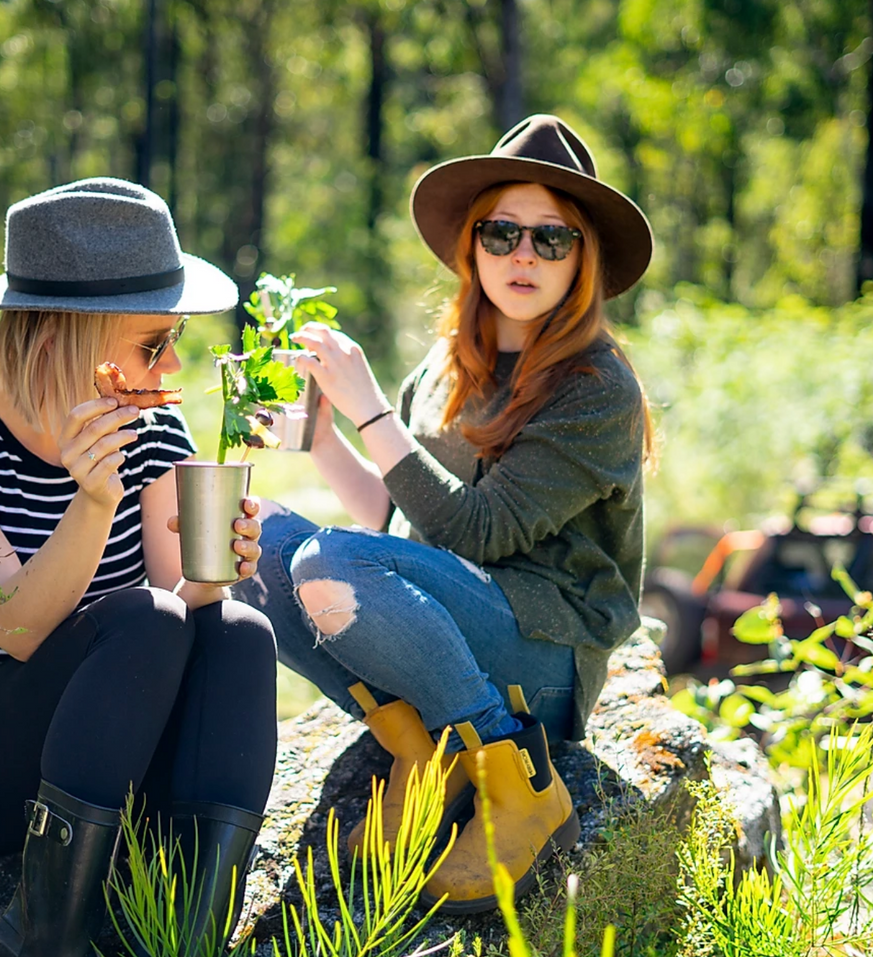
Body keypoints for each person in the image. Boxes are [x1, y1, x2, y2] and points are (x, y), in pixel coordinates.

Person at [237, 114, 654, 913]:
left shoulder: (597, 386)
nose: (522, 255)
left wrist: (368, 409)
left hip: (543, 657)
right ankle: (425, 752)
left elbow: (477, 531)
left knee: (328, 561)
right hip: (450, 625)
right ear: (473, 245)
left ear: (583, 257)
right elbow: (403, 522)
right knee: (255, 543)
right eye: (501, 233)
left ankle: (515, 777)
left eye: (551, 238)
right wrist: (326, 439)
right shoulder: (442, 367)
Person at [0, 178, 276, 957]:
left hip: (117, 759)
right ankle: (46, 936)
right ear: (66, 337)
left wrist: (213, 577)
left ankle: (187, 931)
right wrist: (93, 500)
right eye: (152, 344)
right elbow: (13, 630)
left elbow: (175, 613)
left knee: (238, 629)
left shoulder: (154, 434)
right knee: (145, 616)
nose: (170, 367)